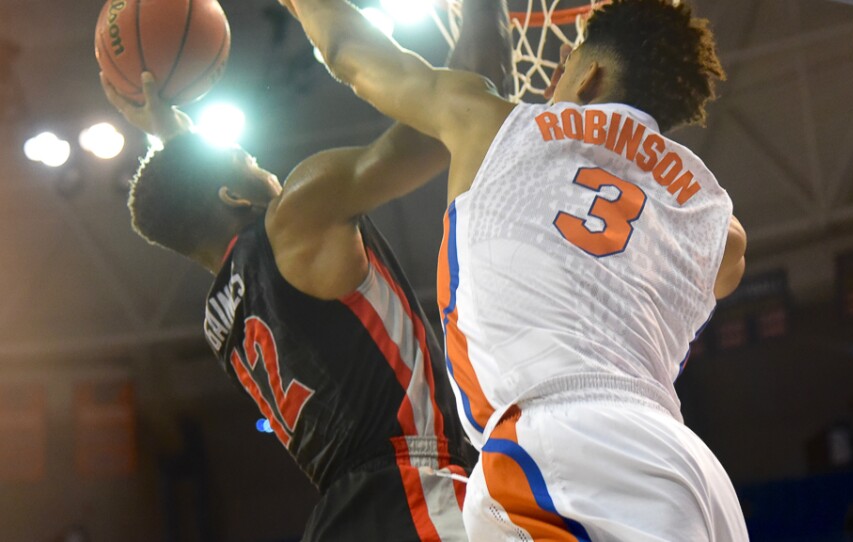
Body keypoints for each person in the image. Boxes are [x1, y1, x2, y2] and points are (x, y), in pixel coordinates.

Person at [282, 0, 750, 540]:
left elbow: (352, 56)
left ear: (590, 75)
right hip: (689, 469)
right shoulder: (715, 223)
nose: (551, 84)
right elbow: (717, 260)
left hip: (562, 449)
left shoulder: (492, 124)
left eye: (565, 66)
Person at [100, 0, 512, 538]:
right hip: (409, 495)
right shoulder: (296, 216)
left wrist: (165, 126)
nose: (263, 166)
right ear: (231, 193)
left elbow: (191, 200)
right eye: (249, 162)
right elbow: (460, 110)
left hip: (342, 519)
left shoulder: (223, 315)